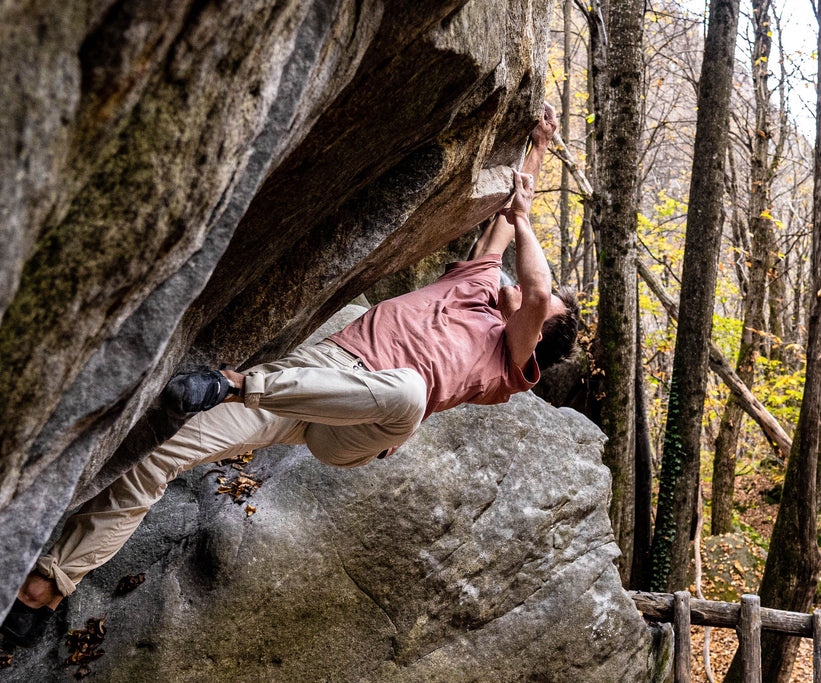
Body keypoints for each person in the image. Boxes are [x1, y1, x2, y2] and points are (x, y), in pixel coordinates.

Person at [2, 104, 579, 648]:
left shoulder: (511, 364)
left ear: (536, 330)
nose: (541, 294)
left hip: (359, 427)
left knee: (408, 392)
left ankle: (234, 383)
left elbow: (531, 286)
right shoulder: (475, 280)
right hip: (313, 378)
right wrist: (538, 147)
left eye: (549, 303)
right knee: (160, 452)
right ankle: (47, 587)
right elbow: (508, 211)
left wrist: (529, 226)